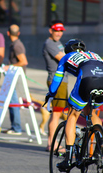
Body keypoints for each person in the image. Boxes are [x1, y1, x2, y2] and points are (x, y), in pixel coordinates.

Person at [45, 39, 103, 171]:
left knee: (72, 114)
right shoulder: (94, 54)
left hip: (87, 80)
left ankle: (68, 158)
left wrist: (51, 94)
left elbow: (57, 78)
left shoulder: (66, 57)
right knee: (91, 112)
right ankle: (99, 149)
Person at [42, 20, 68, 151]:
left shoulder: (57, 43)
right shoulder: (49, 43)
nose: (59, 33)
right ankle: (52, 143)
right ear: (50, 30)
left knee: (58, 113)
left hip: (62, 81)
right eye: (56, 30)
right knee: (56, 113)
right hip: (56, 81)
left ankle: (51, 142)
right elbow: (63, 58)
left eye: (61, 31)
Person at [2, 24, 28, 135]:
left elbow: (23, 61)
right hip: (13, 76)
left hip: (16, 78)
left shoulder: (17, 45)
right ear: (18, 33)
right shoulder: (15, 44)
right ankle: (14, 126)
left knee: (13, 102)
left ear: (8, 33)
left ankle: (16, 128)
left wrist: (9, 67)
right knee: (11, 102)